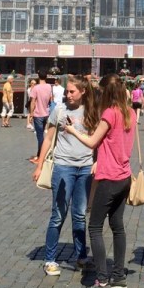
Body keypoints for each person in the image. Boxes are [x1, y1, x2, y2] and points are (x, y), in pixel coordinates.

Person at [64, 74, 135, 288]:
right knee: (117, 226)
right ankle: (119, 277)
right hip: (124, 176)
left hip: (109, 177)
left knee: (95, 227)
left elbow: (92, 142)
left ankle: (102, 281)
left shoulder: (110, 113)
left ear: (104, 92)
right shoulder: (130, 112)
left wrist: (73, 131)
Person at [33, 75, 95, 276]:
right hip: (63, 166)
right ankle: (50, 259)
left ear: (83, 91)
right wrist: (39, 165)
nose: (68, 95)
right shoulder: (59, 110)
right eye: (67, 91)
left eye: (72, 91)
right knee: (58, 214)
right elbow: (48, 138)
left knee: (79, 215)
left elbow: (96, 140)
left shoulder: (91, 110)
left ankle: (81, 257)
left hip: (85, 167)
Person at [28, 74, 53, 163]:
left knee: (40, 137)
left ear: (39, 77)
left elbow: (32, 102)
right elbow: (51, 99)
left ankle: (40, 156)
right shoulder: (49, 86)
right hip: (46, 114)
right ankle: (42, 154)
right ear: (46, 77)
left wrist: (31, 114)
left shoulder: (36, 88)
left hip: (38, 114)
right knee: (44, 136)